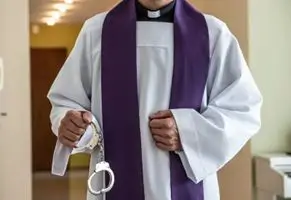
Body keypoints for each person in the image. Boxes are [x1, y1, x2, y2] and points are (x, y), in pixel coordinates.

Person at [47, 0, 263, 199]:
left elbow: (242, 109)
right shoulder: (97, 32)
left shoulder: (212, 34)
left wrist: (187, 132)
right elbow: (67, 102)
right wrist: (75, 126)